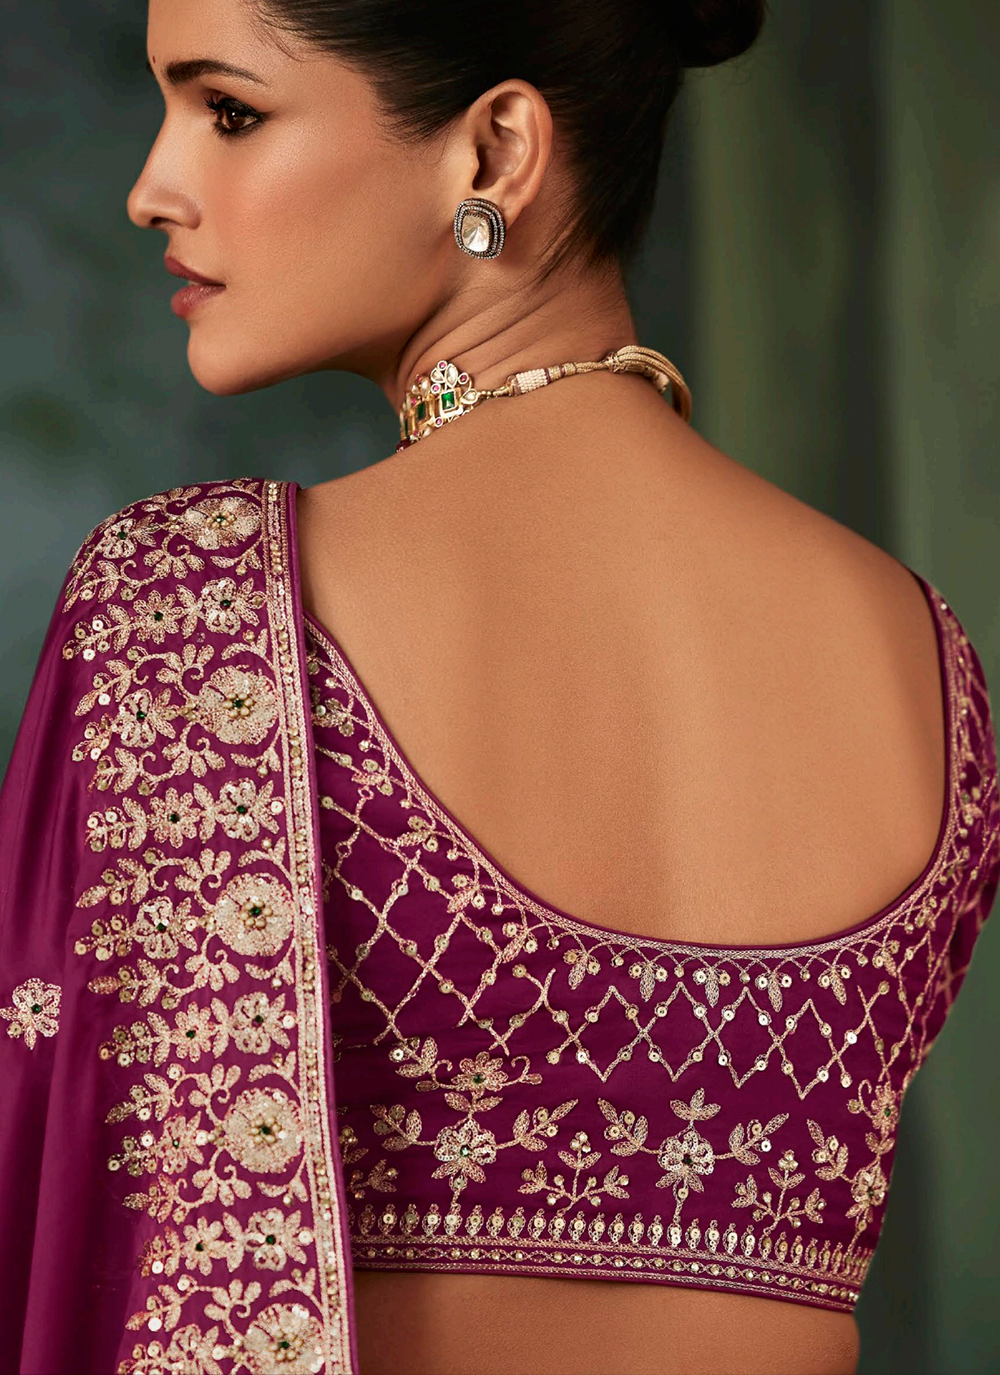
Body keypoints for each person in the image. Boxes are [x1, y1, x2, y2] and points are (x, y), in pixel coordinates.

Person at [1, 0, 997, 1371]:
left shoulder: (184, 607)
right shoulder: (922, 655)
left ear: (496, 153)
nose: (151, 187)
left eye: (229, 110)